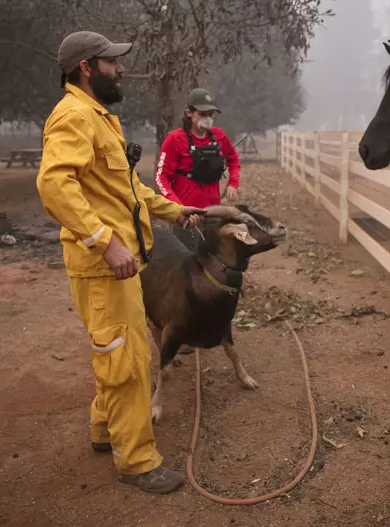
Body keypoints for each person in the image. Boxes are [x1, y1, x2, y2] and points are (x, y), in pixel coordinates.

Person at [36, 30, 206, 494]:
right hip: (103, 267)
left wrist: (176, 211)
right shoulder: (73, 116)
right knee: (127, 360)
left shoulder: (99, 117)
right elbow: (54, 186)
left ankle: (103, 429)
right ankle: (137, 461)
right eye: (111, 62)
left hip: (119, 264)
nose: (121, 68)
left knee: (113, 351)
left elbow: (129, 190)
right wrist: (104, 242)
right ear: (86, 67)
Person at [154, 88, 241, 251]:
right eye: (202, 113)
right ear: (189, 113)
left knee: (216, 262)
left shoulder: (219, 136)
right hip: (187, 218)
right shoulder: (175, 139)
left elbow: (234, 159)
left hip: (215, 213)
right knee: (187, 262)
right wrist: (178, 208)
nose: (207, 118)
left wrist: (233, 184)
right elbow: (161, 177)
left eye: (210, 114)